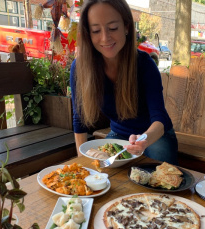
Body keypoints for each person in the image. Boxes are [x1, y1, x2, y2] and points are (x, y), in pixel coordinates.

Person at [70, 0, 178, 165]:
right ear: (88, 34)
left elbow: (160, 118)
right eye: (96, 30)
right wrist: (82, 164)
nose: (105, 38)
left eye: (113, 28)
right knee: (103, 174)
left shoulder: (144, 64)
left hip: (155, 136)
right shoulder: (80, 67)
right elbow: (79, 120)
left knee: (160, 179)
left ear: (127, 27)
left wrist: (144, 140)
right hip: (119, 135)